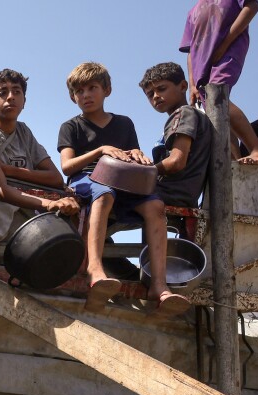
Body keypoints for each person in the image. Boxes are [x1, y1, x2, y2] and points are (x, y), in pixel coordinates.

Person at [57, 62, 187, 316]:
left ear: (107, 90)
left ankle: (158, 285)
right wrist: (100, 150)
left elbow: (132, 155)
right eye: (79, 91)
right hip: (86, 180)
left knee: (155, 205)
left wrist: (138, 155)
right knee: (104, 194)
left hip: (122, 180)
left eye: (92, 88)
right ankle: (95, 270)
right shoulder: (70, 126)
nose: (86, 95)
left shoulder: (124, 124)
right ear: (73, 97)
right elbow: (67, 167)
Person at [0, 69, 65, 243]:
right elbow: (2, 190)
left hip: (26, 227)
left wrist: (8, 170)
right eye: (2, 93)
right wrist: (48, 204)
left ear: (24, 101)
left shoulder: (24, 132)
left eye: (17, 92)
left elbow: (56, 178)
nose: (11, 97)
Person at [181, 0, 258, 164]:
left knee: (218, 98)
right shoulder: (192, 12)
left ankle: (257, 149)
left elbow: (252, 6)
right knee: (215, 112)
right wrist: (192, 84)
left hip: (227, 53)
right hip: (200, 66)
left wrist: (225, 44)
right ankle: (233, 161)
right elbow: (190, 50)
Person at [141, 63, 214, 210]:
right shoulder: (189, 115)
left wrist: (141, 173)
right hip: (181, 194)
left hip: (170, 193)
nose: (155, 96)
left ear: (182, 86)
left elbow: (176, 162)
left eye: (161, 89)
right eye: (150, 94)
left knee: (105, 195)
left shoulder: (184, 113)